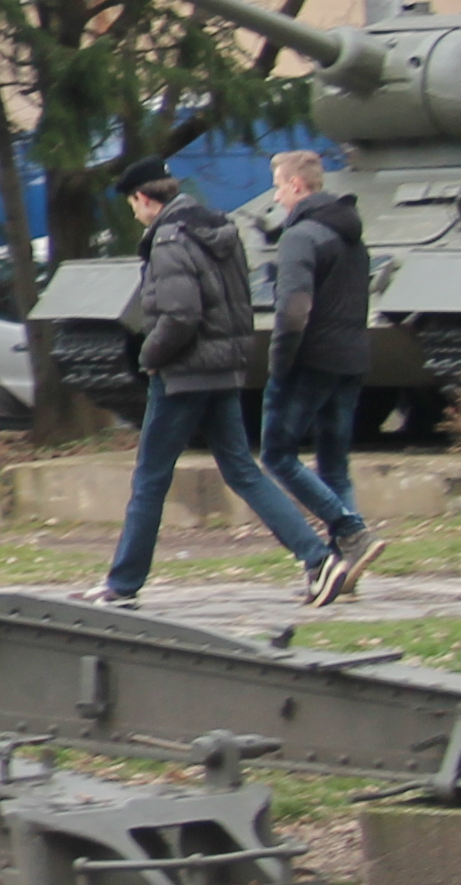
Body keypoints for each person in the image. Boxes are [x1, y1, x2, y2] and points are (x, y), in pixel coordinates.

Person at [88, 160, 338, 607]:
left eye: (132, 204)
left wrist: (149, 357)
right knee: (242, 471)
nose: (135, 213)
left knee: (150, 479)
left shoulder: (168, 238)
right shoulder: (219, 227)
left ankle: (122, 584)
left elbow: (180, 314)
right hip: (223, 368)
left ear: (144, 198)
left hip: (182, 374)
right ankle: (318, 559)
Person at [262, 149, 380, 599]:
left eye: (278, 186)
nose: (276, 196)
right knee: (334, 464)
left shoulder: (300, 236)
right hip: (351, 358)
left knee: (278, 455)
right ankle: (344, 569)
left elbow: (293, 310)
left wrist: (279, 363)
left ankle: (350, 531)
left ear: (296, 185)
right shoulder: (352, 236)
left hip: (308, 362)